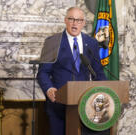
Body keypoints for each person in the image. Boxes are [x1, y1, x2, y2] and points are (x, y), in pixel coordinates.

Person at [37, 7, 110, 135]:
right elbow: (43, 72)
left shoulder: (91, 43)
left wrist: (103, 93)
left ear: (83, 23)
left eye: (79, 20)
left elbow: (98, 73)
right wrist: (49, 89)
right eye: (71, 19)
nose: (75, 23)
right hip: (59, 106)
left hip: (85, 106)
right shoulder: (52, 42)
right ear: (65, 20)